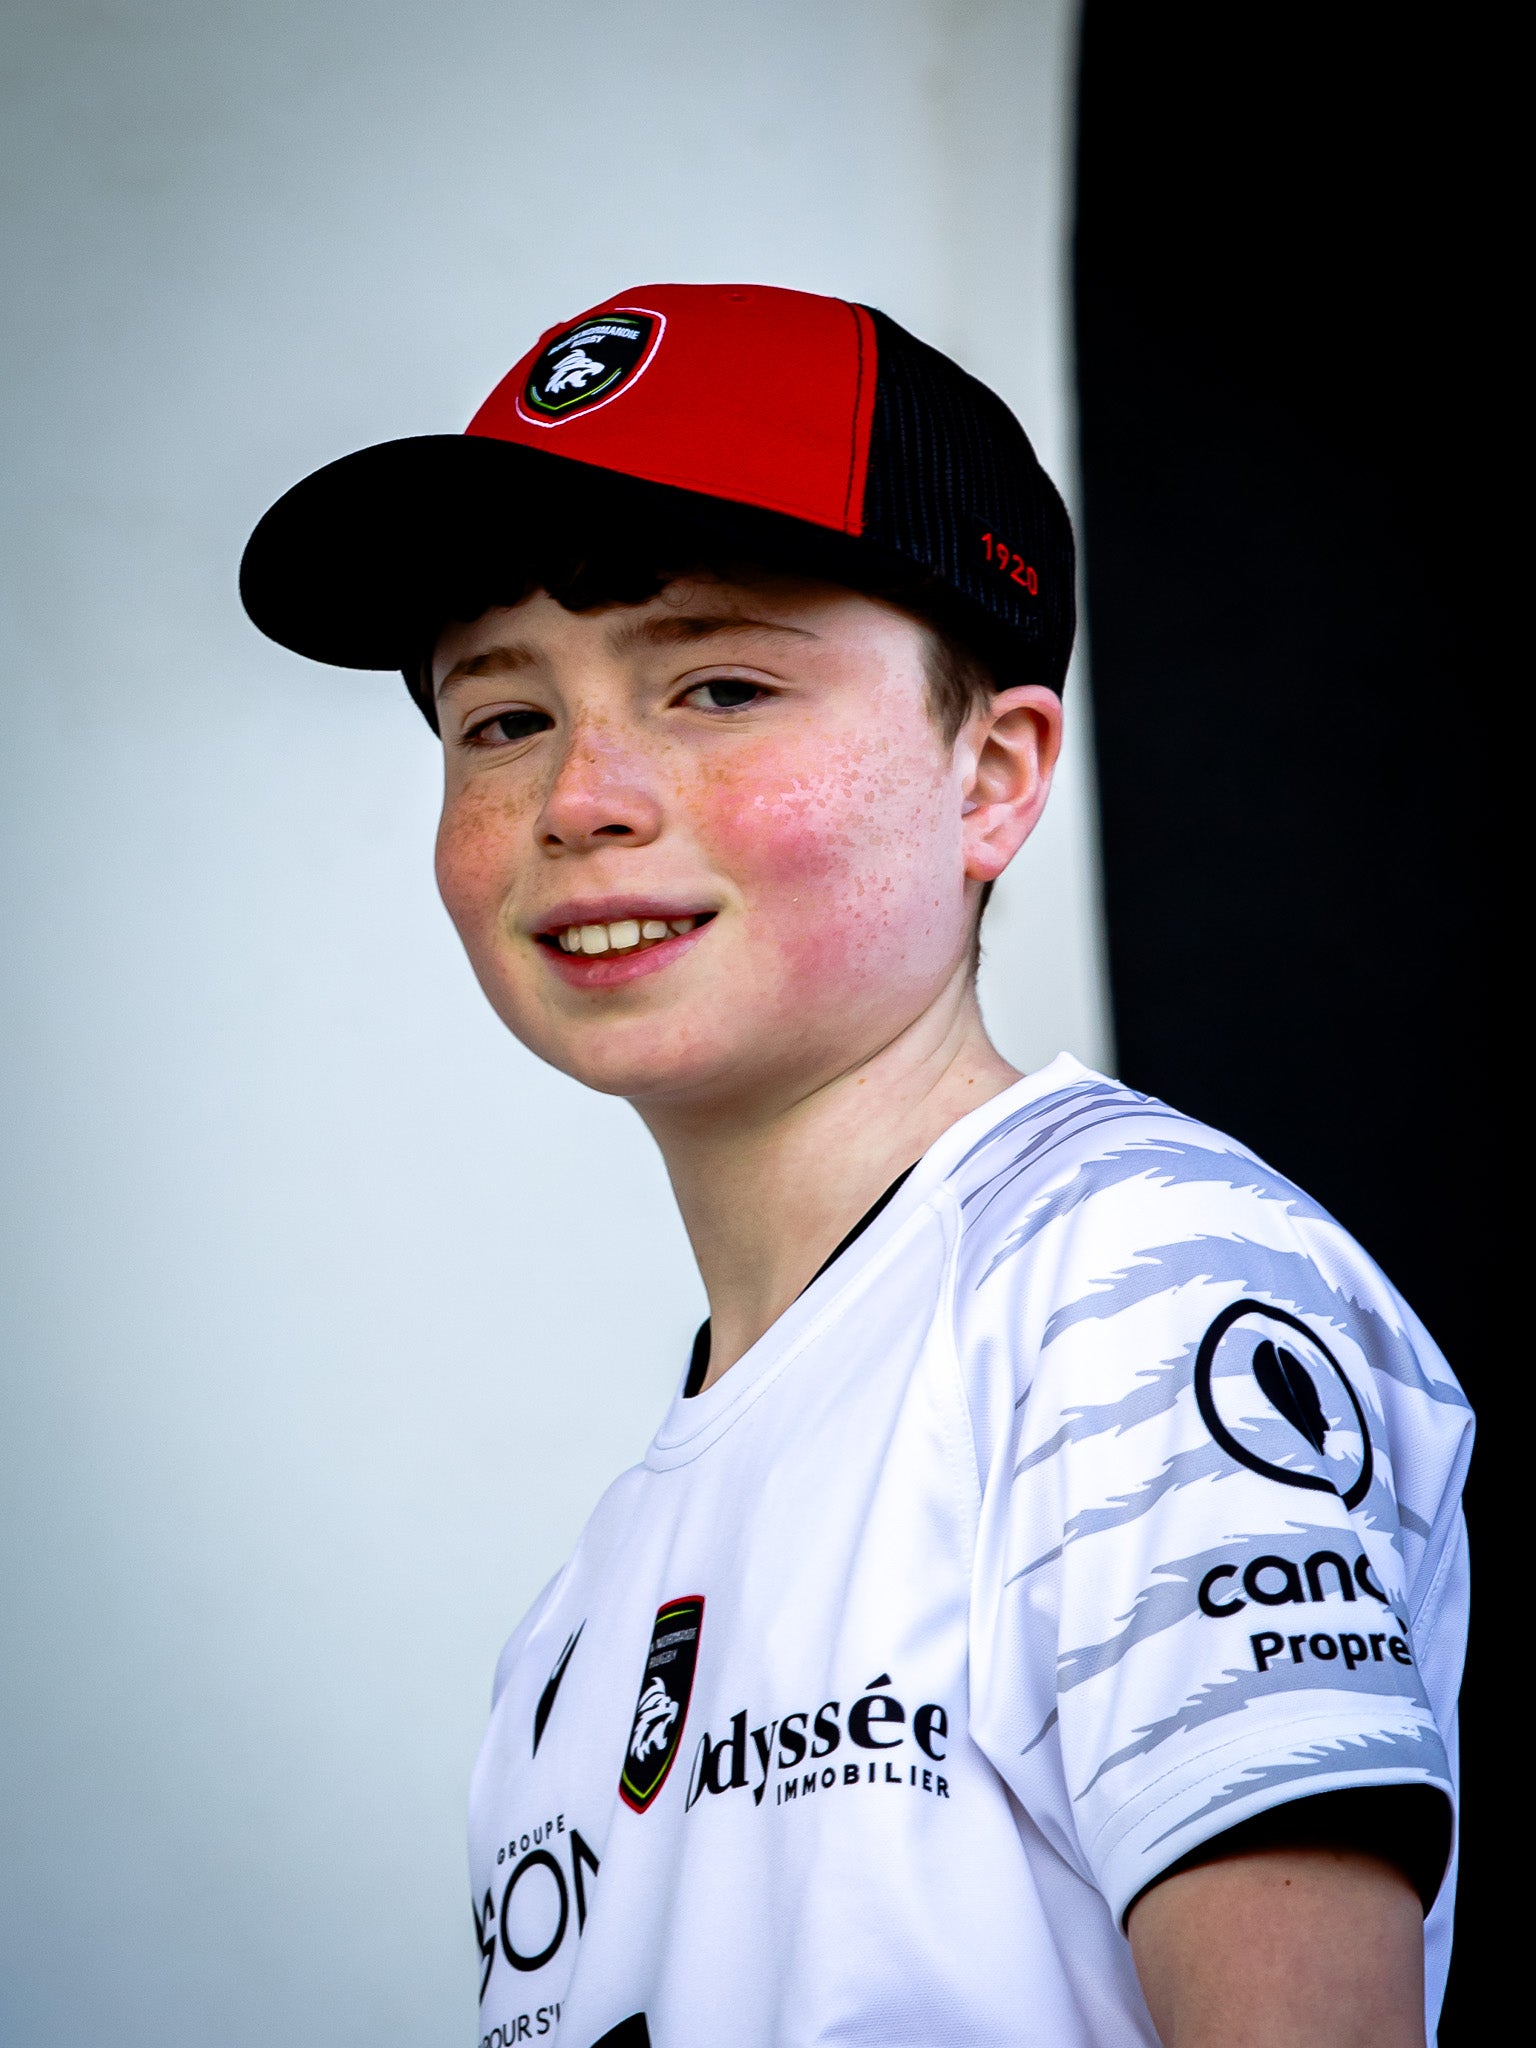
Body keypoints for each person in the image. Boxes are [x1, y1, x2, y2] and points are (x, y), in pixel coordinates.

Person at [241, 284, 1471, 2048]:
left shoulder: (1129, 1289)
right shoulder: (577, 1622)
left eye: (719, 685)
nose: (582, 796)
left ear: (994, 774)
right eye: (501, 719)